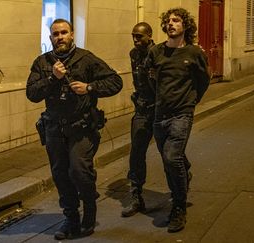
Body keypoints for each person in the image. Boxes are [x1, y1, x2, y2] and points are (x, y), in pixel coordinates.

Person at [26, 19, 122, 240]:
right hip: (54, 129)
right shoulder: (42, 62)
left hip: (81, 128)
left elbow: (115, 82)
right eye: (56, 34)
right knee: (61, 175)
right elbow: (32, 93)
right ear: (50, 38)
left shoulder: (86, 59)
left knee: (79, 171)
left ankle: (89, 210)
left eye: (64, 33)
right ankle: (71, 218)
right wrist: (53, 78)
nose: (60, 37)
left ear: (72, 34)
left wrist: (89, 87)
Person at [146, 8, 210, 233]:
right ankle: (185, 170)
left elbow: (203, 80)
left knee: (171, 157)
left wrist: (191, 102)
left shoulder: (194, 53)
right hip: (160, 114)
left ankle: (179, 208)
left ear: (185, 26)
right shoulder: (156, 52)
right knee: (170, 161)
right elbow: (151, 78)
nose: (171, 24)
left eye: (177, 20)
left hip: (182, 113)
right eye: (169, 21)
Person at [121, 22, 156, 217]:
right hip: (142, 109)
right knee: (136, 151)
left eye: (139, 36)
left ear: (149, 36)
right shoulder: (133, 54)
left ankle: (182, 176)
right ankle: (136, 196)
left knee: (169, 153)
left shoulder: (159, 53)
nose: (135, 40)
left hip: (160, 110)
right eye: (133, 35)